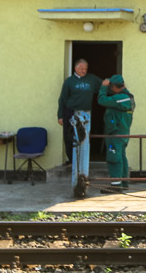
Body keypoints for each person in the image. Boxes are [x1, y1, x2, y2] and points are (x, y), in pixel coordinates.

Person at [57, 58, 101, 199]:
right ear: (75, 68)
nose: (84, 70)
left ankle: (82, 175)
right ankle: (73, 164)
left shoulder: (92, 79)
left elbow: (103, 85)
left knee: (84, 140)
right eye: (81, 68)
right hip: (71, 112)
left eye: (86, 68)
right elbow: (62, 99)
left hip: (86, 114)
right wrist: (60, 115)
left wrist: (111, 83)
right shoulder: (69, 82)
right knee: (71, 140)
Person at [98, 74, 135, 189]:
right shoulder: (128, 97)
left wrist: (103, 87)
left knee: (114, 157)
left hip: (116, 133)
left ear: (115, 86)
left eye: (111, 87)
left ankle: (116, 185)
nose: (111, 90)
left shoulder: (122, 98)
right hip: (122, 132)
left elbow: (102, 100)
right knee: (121, 157)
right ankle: (124, 183)